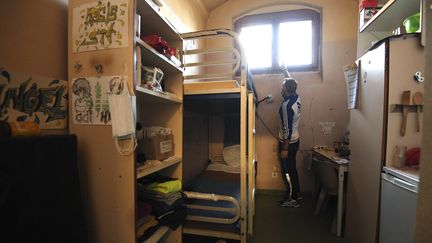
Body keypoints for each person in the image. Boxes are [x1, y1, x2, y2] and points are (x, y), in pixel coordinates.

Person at [278, 77, 301, 208]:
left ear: (286, 89)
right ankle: (297, 194)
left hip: (288, 143)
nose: (281, 89)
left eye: (282, 87)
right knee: (292, 169)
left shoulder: (286, 106)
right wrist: (286, 72)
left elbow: (287, 129)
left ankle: (293, 198)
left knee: (288, 170)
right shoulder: (296, 98)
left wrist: (284, 149)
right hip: (295, 140)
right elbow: (292, 84)